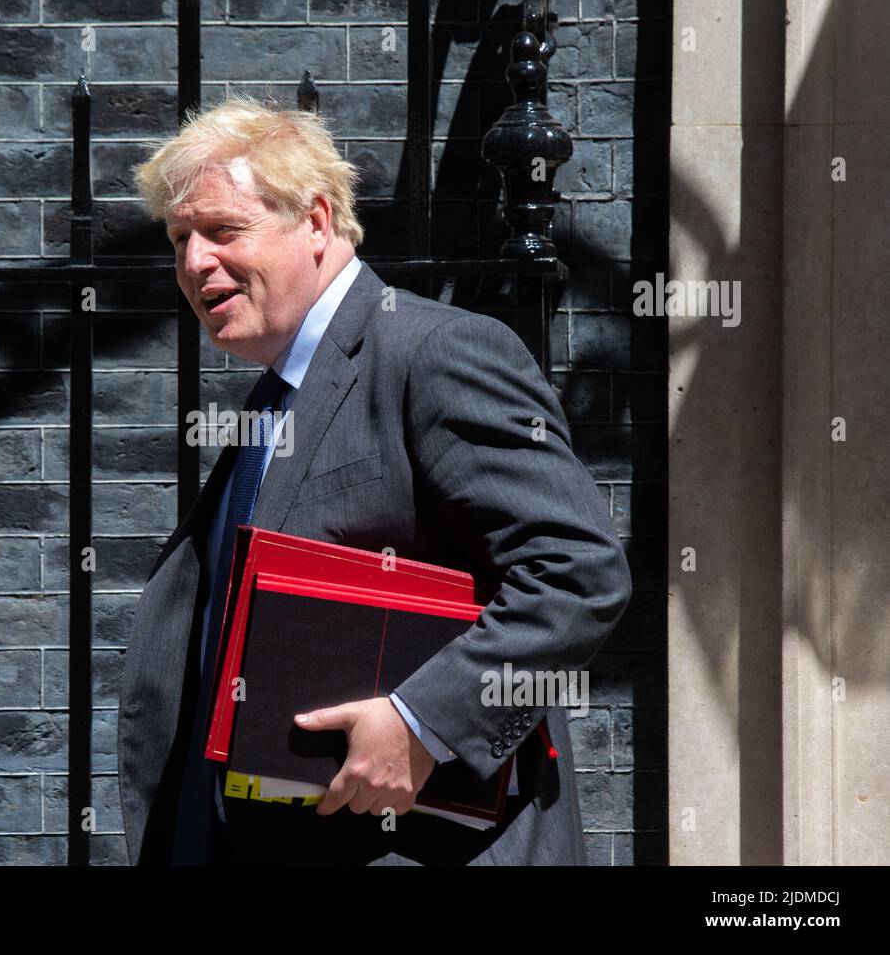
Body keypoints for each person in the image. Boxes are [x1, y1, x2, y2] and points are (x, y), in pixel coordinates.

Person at [116, 97, 631, 865]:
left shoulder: (435, 352)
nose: (194, 263)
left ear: (317, 223)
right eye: (181, 239)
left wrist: (422, 722)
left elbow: (578, 572)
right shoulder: (278, 393)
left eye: (224, 231)